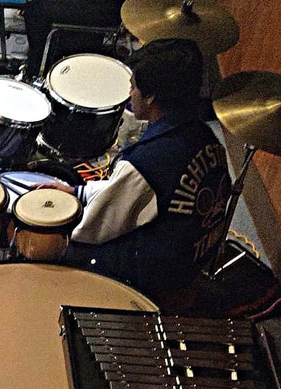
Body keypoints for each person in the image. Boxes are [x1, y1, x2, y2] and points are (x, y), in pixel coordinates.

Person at [53, 39, 231, 309]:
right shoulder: (206, 137)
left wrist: (60, 217)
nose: (130, 93)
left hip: (159, 276)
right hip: (195, 255)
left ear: (151, 97)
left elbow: (93, 228)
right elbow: (139, 193)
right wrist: (79, 191)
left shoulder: (147, 161)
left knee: (58, 246)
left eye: (134, 86)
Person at [23, 0, 125, 77]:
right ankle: (37, 69)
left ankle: (32, 73)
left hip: (104, 9)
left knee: (35, 11)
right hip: (111, 9)